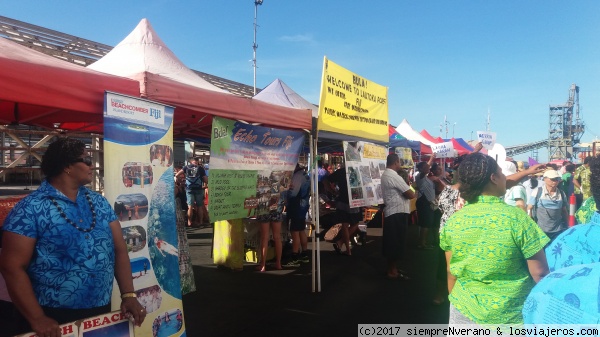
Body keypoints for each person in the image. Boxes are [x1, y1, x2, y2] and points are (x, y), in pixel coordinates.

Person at [0, 138, 146, 336]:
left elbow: (119, 249)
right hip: (51, 317)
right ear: (67, 166)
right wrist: (37, 318)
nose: (91, 165)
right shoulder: (30, 208)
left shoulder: (99, 202)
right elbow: (12, 267)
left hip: (98, 311)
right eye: (85, 160)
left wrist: (128, 294)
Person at [440, 152, 549, 325]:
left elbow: (451, 272)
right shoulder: (517, 219)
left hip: (463, 309)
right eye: (501, 173)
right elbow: (540, 273)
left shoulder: (454, 221)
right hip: (510, 315)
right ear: (493, 178)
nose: (505, 177)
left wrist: (456, 301)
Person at [381, 154, 416, 280]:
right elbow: (410, 194)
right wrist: (415, 191)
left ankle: (393, 268)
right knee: (395, 243)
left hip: (394, 212)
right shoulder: (393, 176)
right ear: (396, 162)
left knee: (393, 242)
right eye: (399, 163)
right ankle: (392, 271)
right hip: (396, 213)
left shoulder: (387, 174)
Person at [527, 169, 568, 244]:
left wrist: (568, 225)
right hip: (541, 230)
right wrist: (531, 226)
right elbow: (529, 208)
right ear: (545, 179)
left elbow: (564, 210)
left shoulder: (561, 194)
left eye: (557, 179)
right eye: (552, 179)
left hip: (558, 230)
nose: (555, 181)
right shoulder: (537, 192)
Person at [328, 166, 361, 256]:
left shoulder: (341, 171)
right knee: (354, 223)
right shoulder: (356, 170)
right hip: (352, 200)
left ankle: (345, 246)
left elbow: (327, 180)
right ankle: (344, 245)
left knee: (345, 225)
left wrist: (333, 192)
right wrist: (334, 191)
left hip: (343, 200)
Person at [286, 164, 311, 264]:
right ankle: (304, 254)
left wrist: (285, 193)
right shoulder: (305, 174)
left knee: (295, 231)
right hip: (303, 205)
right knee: (301, 230)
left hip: (297, 206)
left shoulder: (297, 176)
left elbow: (293, 193)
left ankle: (294, 257)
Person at [175, 157, 208, 227]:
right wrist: (205, 184)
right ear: (197, 162)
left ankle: (189, 222)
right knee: (199, 206)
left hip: (189, 189)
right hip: (198, 189)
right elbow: (205, 180)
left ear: (190, 162)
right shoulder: (200, 168)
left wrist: (181, 182)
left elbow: (177, 175)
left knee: (190, 206)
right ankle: (200, 222)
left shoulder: (186, 167)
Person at [415, 159, 436, 249]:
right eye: (425, 167)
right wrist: (431, 158)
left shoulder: (426, 177)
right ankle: (422, 244)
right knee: (425, 224)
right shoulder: (419, 176)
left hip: (428, 203)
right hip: (424, 202)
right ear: (421, 168)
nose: (428, 168)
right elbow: (425, 170)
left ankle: (423, 242)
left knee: (427, 223)